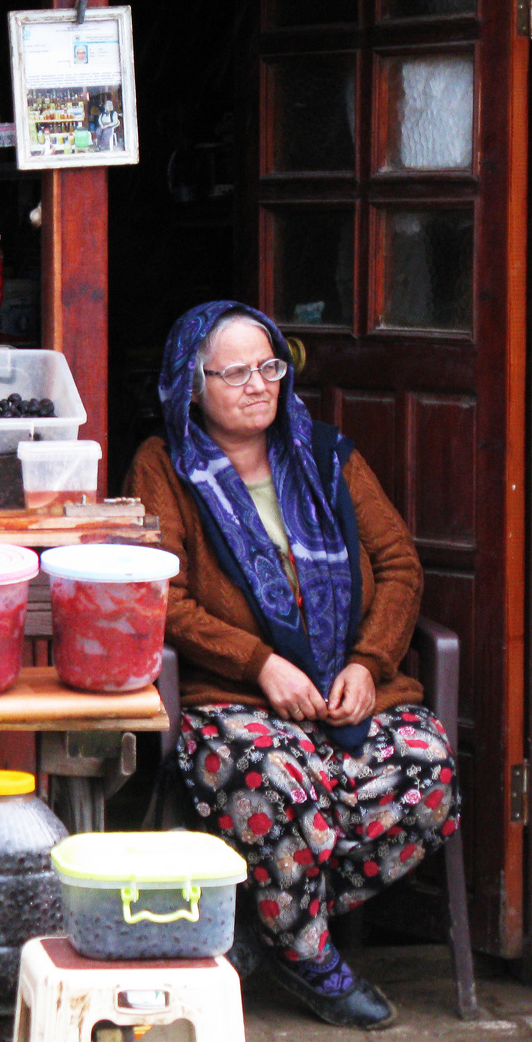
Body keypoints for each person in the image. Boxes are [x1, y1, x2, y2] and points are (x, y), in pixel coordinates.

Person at [125, 301, 459, 1031]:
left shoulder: (329, 455)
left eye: (270, 365)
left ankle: (261, 918)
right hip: (235, 703)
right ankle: (311, 956)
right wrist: (262, 662)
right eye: (235, 372)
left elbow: (399, 564)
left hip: (350, 698)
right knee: (278, 782)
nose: (258, 385)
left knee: (429, 771)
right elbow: (163, 594)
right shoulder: (165, 466)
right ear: (191, 383)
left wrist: (369, 663)